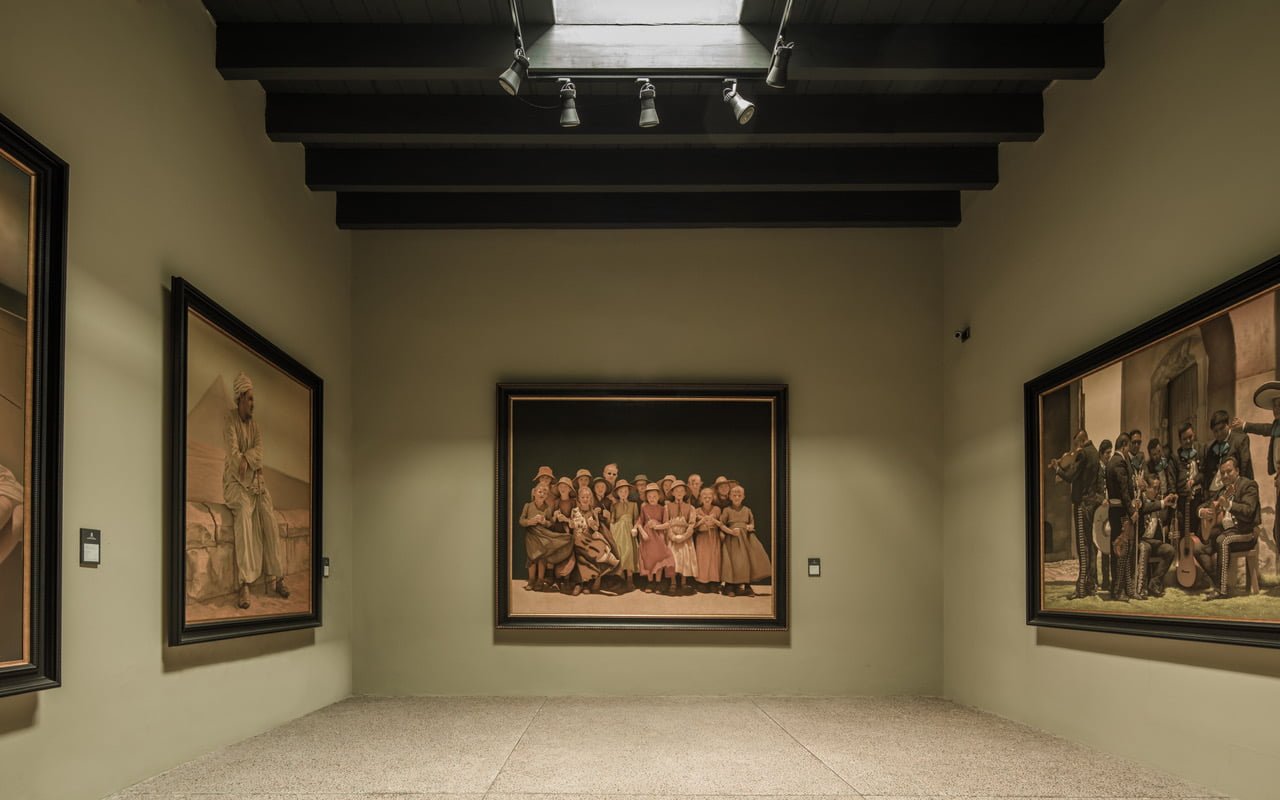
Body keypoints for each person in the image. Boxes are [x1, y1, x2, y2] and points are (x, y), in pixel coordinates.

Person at [223, 372, 287, 610]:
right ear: (240, 398)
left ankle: (278, 577)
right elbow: (232, 458)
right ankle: (245, 584)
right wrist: (245, 463)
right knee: (243, 514)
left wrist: (246, 458)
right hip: (235, 484)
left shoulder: (256, 426)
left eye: (253, 399)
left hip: (256, 484)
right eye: (249, 399)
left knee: (269, 517)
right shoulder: (229, 422)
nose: (252, 403)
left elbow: (259, 453)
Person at [1197, 456, 1259, 600]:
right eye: (1222, 473)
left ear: (1237, 471)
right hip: (1227, 532)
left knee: (1222, 540)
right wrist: (1202, 512)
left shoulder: (1249, 485)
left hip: (1246, 532)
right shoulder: (1221, 491)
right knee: (1198, 548)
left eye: (1229, 471)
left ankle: (1221, 591)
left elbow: (1249, 511)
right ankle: (1218, 581)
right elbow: (1203, 505)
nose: (1225, 475)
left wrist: (1229, 505)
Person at [1049, 429, 1101, 598]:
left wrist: (1058, 468)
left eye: (1076, 443)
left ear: (1081, 440)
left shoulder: (1083, 454)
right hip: (1091, 503)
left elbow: (1070, 476)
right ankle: (1091, 584)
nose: (1075, 448)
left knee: (1082, 546)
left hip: (1082, 504)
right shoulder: (1095, 453)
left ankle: (1081, 588)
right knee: (1089, 544)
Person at [717, 484, 771, 596]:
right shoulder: (727, 510)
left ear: (743, 497)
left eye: (739, 495)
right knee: (732, 561)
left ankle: (746, 585)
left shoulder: (747, 510)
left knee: (746, 562)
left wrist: (750, 527)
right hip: (732, 540)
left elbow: (752, 523)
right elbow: (721, 525)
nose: (737, 497)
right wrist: (730, 531)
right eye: (734, 495)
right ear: (730, 497)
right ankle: (729, 586)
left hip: (745, 539)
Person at [519, 484, 572, 591]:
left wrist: (544, 522)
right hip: (531, 536)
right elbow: (521, 521)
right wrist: (530, 521)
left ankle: (540, 580)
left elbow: (550, 523)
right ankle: (531, 580)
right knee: (532, 558)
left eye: (544, 493)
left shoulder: (547, 508)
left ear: (547, 496)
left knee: (542, 557)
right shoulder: (528, 506)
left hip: (543, 536)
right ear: (534, 493)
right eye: (540, 492)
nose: (542, 494)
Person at [1133, 473, 1177, 599]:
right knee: (1145, 547)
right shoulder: (1140, 501)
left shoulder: (1158, 502)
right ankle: (1140, 588)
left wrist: (1172, 505)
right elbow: (1146, 508)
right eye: (1154, 488)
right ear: (1146, 488)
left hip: (1153, 541)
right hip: (1140, 540)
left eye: (1159, 488)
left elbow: (1165, 518)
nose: (1157, 491)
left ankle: (1154, 583)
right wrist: (1162, 503)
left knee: (1169, 550)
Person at [568, 486, 617, 595]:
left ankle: (586, 584)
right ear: (579, 498)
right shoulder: (574, 511)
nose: (585, 499)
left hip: (589, 539)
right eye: (583, 497)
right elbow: (571, 525)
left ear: (590, 498)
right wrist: (570, 524)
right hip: (578, 539)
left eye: (587, 497)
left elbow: (596, 528)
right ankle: (578, 584)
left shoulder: (593, 512)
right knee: (579, 559)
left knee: (591, 556)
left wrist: (593, 525)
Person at [1232, 380, 1280, 488]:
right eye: (1274, 406)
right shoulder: (1276, 427)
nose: (1276, 409)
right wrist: (1244, 425)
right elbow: (1264, 429)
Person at [1104, 432, 1134, 600]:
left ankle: (1121, 588)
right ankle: (1118, 591)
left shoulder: (1110, 462)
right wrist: (1132, 511)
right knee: (1121, 549)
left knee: (1117, 549)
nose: (1129, 450)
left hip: (1114, 510)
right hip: (1121, 511)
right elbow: (1124, 491)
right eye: (1128, 446)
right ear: (1124, 445)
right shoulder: (1119, 462)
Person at [635, 484, 674, 592]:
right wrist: (643, 532)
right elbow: (639, 522)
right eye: (649, 497)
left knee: (658, 559)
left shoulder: (662, 509)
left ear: (659, 496)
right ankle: (650, 582)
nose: (652, 499)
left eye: (654, 496)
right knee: (649, 559)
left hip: (658, 538)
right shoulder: (644, 508)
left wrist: (656, 527)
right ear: (646, 497)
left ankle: (658, 582)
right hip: (647, 538)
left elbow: (667, 524)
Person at [662, 480, 698, 595]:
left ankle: (683, 582)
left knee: (684, 559)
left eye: (682, 491)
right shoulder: (667, 507)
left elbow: (692, 524)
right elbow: (666, 523)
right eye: (676, 490)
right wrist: (672, 536)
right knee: (673, 559)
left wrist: (684, 536)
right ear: (672, 493)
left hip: (685, 537)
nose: (679, 493)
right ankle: (673, 582)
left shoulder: (690, 508)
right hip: (672, 537)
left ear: (685, 493)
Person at [1203, 410, 1252, 493]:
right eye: (1215, 431)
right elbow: (1208, 473)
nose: (1219, 433)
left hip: (1235, 491)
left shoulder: (1240, 440)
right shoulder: (1210, 447)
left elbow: (1245, 468)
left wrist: (1240, 491)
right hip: (1215, 492)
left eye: (1221, 428)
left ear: (1228, 425)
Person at [609, 479, 639, 591]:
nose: (623, 493)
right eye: (621, 491)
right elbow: (612, 520)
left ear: (628, 492)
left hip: (629, 532)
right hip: (618, 533)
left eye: (625, 491)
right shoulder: (615, 506)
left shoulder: (633, 505)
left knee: (629, 552)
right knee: (620, 553)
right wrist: (612, 531)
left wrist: (635, 527)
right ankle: (620, 579)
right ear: (617, 493)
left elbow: (637, 519)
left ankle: (630, 579)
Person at [691, 486, 722, 591]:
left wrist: (713, 522)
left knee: (714, 559)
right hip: (702, 538)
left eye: (709, 497)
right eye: (705, 497)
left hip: (713, 537)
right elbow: (693, 526)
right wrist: (702, 521)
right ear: (701, 498)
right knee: (702, 559)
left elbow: (721, 524)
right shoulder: (697, 510)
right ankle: (702, 581)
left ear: (713, 498)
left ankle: (714, 582)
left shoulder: (717, 509)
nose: (707, 499)